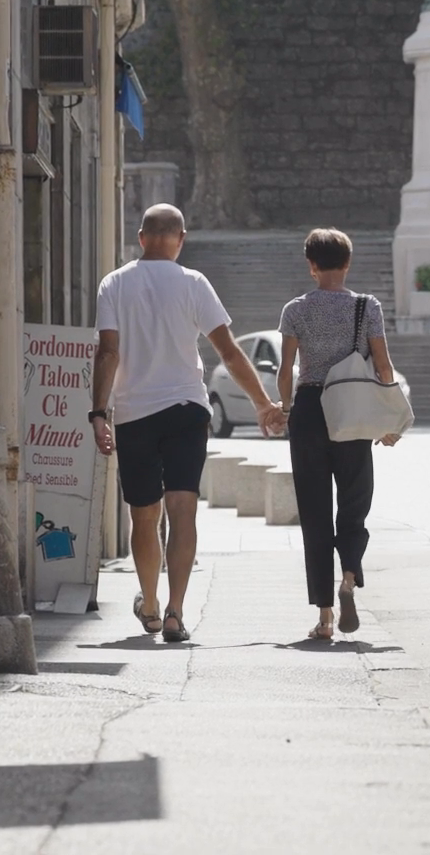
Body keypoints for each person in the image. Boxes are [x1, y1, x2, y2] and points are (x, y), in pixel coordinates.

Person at [92, 204, 285, 643]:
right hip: (187, 410)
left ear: (141, 237)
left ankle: (150, 604)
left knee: (143, 514)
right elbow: (229, 352)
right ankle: (176, 612)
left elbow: (108, 352)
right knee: (183, 510)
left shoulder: (114, 283)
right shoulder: (194, 283)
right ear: (181, 239)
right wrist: (262, 404)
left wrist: (98, 413)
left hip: (135, 413)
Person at [277, 229, 403, 642]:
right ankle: (348, 577)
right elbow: (383, 365)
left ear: (311, 265)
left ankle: (325, 616)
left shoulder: (296, 309)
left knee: (314, 512)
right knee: (354, 503)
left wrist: (285, 409)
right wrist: (387, 419)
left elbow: (286, 369)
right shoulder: (367, 307)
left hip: (310, 410)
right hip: (351, 410)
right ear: (348, 263)